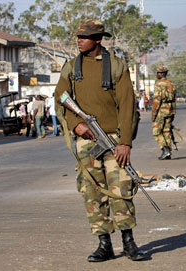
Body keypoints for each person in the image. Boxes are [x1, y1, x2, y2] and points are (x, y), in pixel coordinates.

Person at [54, 20, 144, 262]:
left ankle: (129, 241)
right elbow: (60, 97)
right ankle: (104, 244)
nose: (79, 41)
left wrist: (125, 141)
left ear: (97, 39)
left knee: (121, 188)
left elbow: (127, 104)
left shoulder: (116, 65)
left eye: (84, 37)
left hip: (114, 138)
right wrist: (76, 124)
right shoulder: (71, 67)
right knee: (92, 191)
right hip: (87, 141)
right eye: (78, 37)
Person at [152, 66, 176, 160]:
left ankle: (165, 149)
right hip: (170, 110)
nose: (157, 75)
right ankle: (168, 152)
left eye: (158, 73)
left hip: (161, 111)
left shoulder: (158, 84)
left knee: (156, 131)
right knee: (166, 131)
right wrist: (173, 112)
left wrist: (154, 114)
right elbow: (174, 99)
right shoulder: (170, 84)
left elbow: (156, 100)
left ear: (161, 74)